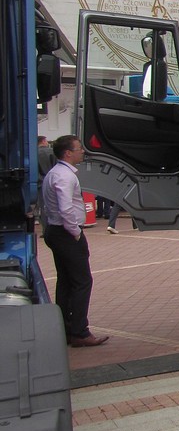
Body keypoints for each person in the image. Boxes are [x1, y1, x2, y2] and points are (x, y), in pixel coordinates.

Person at [41, 134, 109, 347]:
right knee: (82, 281)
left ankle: (67, 328)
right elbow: (66, 208)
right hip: (66, 233)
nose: (83, 151)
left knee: (66, 281)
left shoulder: (55, 173)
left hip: (55, 230)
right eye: (79, 148)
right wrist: (75, 232)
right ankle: (80, 331)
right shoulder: (65, 176)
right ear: (68, 153)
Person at [37, 135, 57, 233]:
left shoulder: (33, 154)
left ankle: (45, 229)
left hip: (40, 183)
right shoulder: (52, 152)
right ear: (44, 141)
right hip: (53, 182)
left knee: (43, 207)